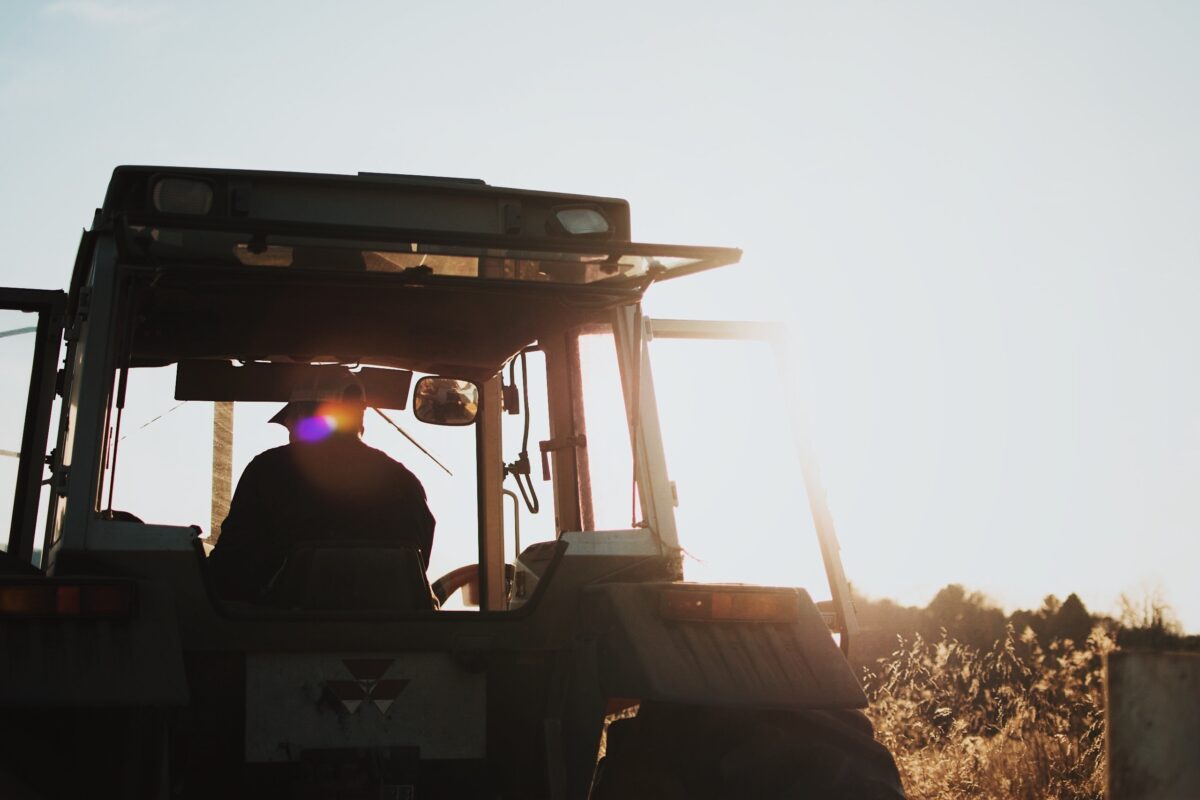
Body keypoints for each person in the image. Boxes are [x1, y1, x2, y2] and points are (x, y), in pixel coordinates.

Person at [206, 375, 435, 602]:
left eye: (290, 422)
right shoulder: (405, 483)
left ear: (302, 416)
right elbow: (415, 568)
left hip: (281, 634)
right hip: (394, 635)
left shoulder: (267, 471)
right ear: (360, 418)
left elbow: (229, 569)